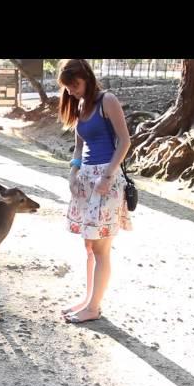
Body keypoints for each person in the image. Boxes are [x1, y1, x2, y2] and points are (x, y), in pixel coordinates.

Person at [58, 59, 133, 323]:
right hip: (86, 179)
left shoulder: (107, 100)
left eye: (75, 85)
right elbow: (79, 148)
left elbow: (125, 141)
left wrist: (108, 175)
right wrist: (73, 171)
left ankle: (94, 306)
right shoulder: (80, 105)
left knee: (101, 248)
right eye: (68, 87)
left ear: (87, 78)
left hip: (106, 178)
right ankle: (88, 299)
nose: (71, 91)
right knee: (89, 246)